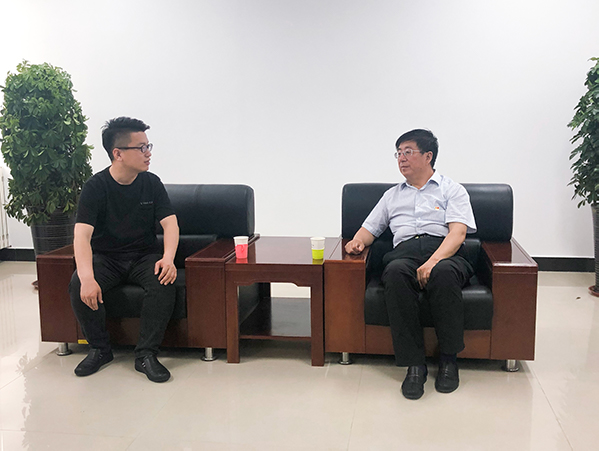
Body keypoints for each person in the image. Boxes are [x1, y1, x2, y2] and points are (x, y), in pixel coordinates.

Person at [345, 129, 476, 400]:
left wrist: (433, 261)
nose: (401, 158)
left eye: (408, 152)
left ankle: (449, 360)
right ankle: (414, 365)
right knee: (394, 272)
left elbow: (458, 233)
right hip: (404, 253)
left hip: (445, 253)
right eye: (398, 153)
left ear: (428, 156)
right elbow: (369, 229)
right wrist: (357, 242)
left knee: (443, 273)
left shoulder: (452, 190)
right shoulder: (392, 196)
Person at [69, 117, 179, 383]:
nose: (148, 153)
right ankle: (100, 349)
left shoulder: (151, 183)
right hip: (107, 258)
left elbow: (170, 224)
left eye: (148, 146)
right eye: (141, 148)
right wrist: (87, 278)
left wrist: (168, 258)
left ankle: (146, 355)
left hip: (144, 256)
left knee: (163, 282)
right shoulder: (96, 187)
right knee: (78, 284)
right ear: (117, 153)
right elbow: (82, 235)